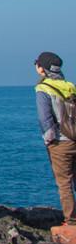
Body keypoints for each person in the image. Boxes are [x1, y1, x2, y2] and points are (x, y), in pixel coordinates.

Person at [34, 51, 76, 225]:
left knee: (64, 183)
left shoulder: (43, 88)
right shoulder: (70, 86)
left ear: (41, 69)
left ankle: (71, 221)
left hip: (60, 141)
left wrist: (49, 140)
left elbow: (45, 118)